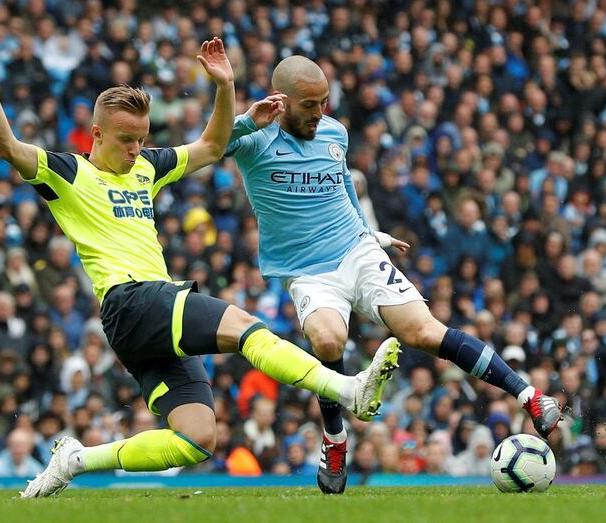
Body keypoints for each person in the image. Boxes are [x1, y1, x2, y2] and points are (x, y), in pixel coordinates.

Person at [0, 33, 399, 497]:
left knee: (198, 438)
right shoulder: (68, 174)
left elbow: (209, 146)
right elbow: (8, 147)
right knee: (244, 326)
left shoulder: (147, 165)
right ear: (97, 134)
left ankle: (75, 460)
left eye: (141, 140)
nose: (134, 150)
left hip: (145, 320)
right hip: (131, 300)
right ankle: (346, 389)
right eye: (125, 140)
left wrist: (226, 89)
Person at [226, 55, 562, 494]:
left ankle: (530, 397)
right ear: (282, 101)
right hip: (307, 271)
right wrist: (245, 118)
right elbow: (215, 145)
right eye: (309, 104)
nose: (319, 112)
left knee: (424, 331)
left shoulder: (334, 133)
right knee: (327, 341)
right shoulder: (256, 141)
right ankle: (335, 440)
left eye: (324, 102)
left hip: (355, 249)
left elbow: (343, 184)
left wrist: (370, 233)